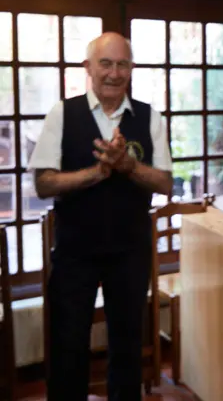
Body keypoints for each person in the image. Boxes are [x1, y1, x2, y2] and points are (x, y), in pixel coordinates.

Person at [29, 32, 173, 401]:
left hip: (130, 251)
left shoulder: (149, 117)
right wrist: (96, 173)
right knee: (68, 346)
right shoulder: (63, 113)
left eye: (122, 64)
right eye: (105, 63)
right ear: (88, 68)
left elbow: (165, 183)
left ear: (132, 69)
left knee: (126, 347)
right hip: (75, 251)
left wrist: (128, 166)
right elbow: (43, 183)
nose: (114, 72)